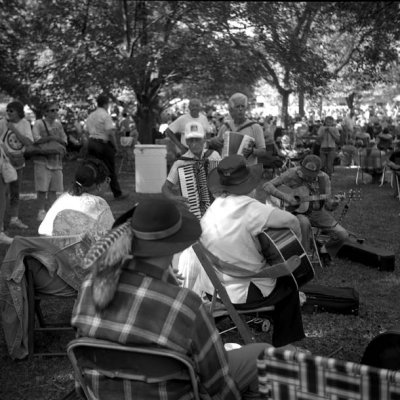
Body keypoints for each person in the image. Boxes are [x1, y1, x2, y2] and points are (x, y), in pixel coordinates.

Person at [71, 197, 296, 399]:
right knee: (262, 354)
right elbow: (218, 384)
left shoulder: (90, 286)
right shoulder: (184, 305)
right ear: (176, 245)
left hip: (101, 394)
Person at [178, 154, 306, 348]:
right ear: (249, 183)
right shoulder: (251, 208)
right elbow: (293, 221)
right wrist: (296, 250)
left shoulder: (214, 206)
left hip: (213, 289)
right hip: (240, 293)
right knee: (290, 284)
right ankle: (285, 344)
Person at [0, 158, 115, 360]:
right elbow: (112, 244)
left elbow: (43, 233)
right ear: (101, 183)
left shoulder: (62, 199)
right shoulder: (100, 205)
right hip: (80, 282)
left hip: (40, 278)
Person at [263, 154, 349, 266]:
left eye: (312, 175)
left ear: (318, 172)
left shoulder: (325, 179)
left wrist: (335, 202)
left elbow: (328, 206)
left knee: (342, 234)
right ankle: (304, 259)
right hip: (295, 212)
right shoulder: (291, 174)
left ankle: (324, 251)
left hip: (317, 212)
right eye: (306, 173)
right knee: (304, 222)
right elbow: (267, 185)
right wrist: (286, 197)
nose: (308, 176)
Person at [162, 121, 221, 210]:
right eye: (190, 140)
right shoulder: (180, 163)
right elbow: (165, 187)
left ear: (204, 139)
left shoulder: (214, 155)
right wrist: (172, 197)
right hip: (194, 209)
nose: (194, 144)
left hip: (216, 207)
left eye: (197, 139)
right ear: (186, 141)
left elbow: (223, 178)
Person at [86, 93, 127, 200]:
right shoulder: (105, 115)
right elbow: (110, 133)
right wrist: (116, 147)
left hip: (91, 143)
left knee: (93, 168)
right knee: (110, 169)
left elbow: (87, 131)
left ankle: (90, 192)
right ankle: (117, 193)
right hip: (102, 144)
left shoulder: (91, 115)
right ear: (106, 104)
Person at [0, 101, 34, 231]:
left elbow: (29, 142)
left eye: (11, 111)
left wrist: (14, 129)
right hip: (5, 162)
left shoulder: (24, 124)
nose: (8, 113)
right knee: (3, 193)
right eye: (7, 110)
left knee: (15, 191)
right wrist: (8, 154)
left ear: (19, 112)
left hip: (19, 161)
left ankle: (14, 218)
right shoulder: (2, 122)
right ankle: (1, 223)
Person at [208, 92, 267, 166]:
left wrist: (252, 151)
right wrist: (214, 142)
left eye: (243, 106)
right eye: (237, 106)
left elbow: (263, 151)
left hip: (247, 171)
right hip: (227, 169)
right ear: (231, 110)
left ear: (246, 109)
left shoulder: (255, 127)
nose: (240, 109)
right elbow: (217, 145)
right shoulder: (225, 127)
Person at [32, 101, 68, 222]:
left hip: (56, 160)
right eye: (52, 110)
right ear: (45, 112)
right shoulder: (39, 123)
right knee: (42, 189)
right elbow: (35, 139)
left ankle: (52, 211)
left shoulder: (58, 124)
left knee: (54, 188)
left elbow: (64, 139)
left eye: (56, 110)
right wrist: (52, 138)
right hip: (42, 160)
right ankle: (41, 211)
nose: (55, 112)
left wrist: (60, 144)